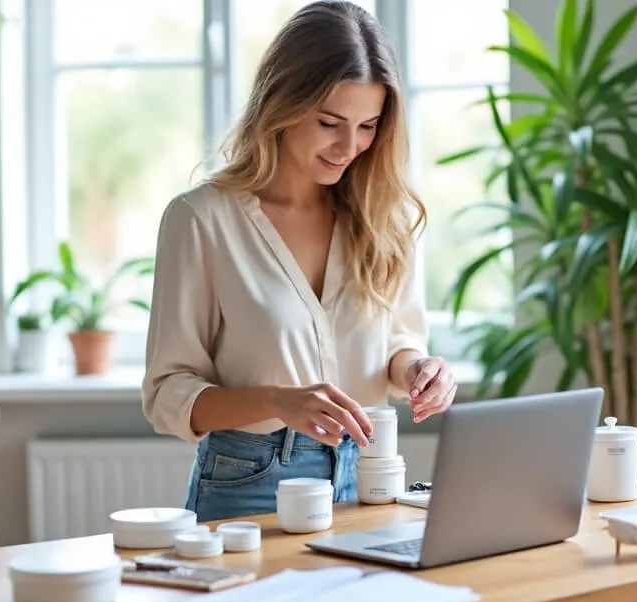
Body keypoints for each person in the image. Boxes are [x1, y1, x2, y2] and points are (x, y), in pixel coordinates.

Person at [141, 0, 458, 523]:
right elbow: (167, 393)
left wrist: (419, 370)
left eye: (367, 125)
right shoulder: (201, 219)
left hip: (369, 474)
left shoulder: (385, 216)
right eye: (330, 122)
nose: (349, 146)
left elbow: (397, 344)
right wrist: (278, 401)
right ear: (282, 104)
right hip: (248, 481)